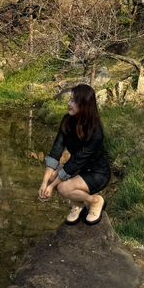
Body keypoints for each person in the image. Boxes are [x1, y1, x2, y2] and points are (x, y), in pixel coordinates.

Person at [38, 83, 111, 225]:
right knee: (53, 177)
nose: (68, 103)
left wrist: (51, 187)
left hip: (97, 173)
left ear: (84, 105)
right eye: (69, 99)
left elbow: (75, 162)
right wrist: (44, 183)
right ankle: (78, 204)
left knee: (63, 187)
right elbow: (55, 153)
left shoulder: (95, 132)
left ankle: (95, 201)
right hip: (79, 168)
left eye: (73, 101)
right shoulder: (67, 120)